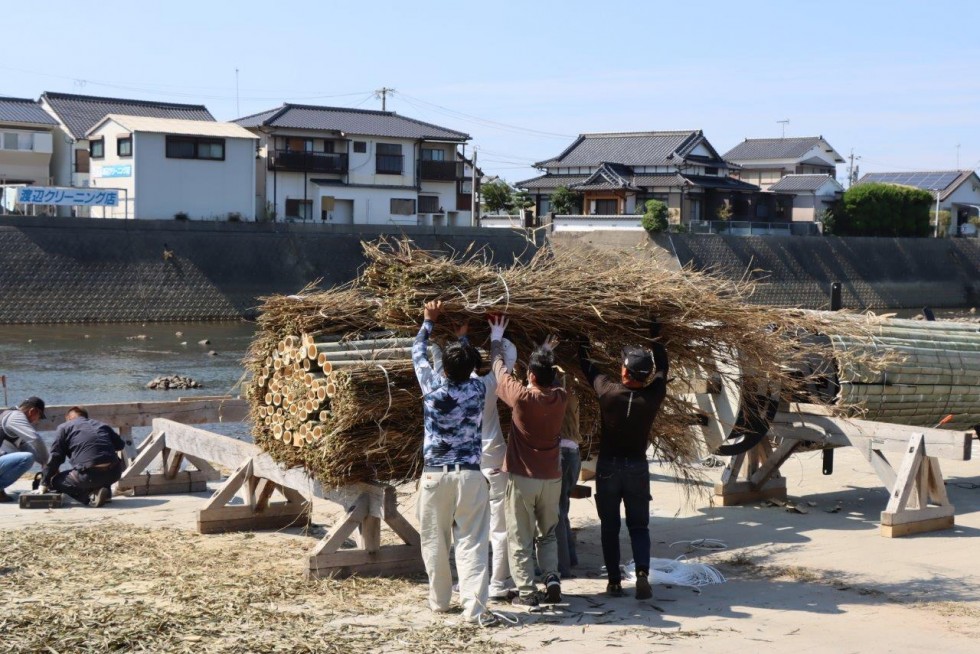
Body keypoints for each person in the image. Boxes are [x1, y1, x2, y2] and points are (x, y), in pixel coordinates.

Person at [412, 300, 492, 625]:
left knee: (435, 540)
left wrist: (428, 321)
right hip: (471, 477)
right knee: (472, 542)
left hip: (435, 477)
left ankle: (440, 602)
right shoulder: (477, 390)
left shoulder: (431, 386)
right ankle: (474, 610)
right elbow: (469, 368)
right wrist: (464, 340)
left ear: (443, 369)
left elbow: (418, 352)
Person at [579, 320, 668, 600]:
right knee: (639, 526)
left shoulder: (608, 391)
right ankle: (642, 572)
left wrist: (581, 332)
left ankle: (615, 582)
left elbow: (587, 365)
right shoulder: (653, 396)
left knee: (610, 526)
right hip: (637, 469)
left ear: (625, 371)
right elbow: (664, 367)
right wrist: (656, 333)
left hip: (608, 468)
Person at [432, 324, 519, 601]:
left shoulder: (441, 389)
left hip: (464, 463)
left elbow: (436, 359)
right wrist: (496, 335)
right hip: (493, 457)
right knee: (499, 525)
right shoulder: (487, 387)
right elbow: (507, 356)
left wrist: (451, 338)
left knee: (463, 526)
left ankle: (464, 581)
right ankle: (497, 582)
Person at [489, 315, 567, 607]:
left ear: (531, 377)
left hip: (523, 479)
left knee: (519, 537)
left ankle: (527, 593)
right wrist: (545, 352)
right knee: (547, 533)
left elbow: (498, 371)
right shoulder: (561, 398)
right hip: (552, 478)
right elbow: (550, 379)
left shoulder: (521, 398)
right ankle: (552, 578)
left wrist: (496, 338)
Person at [43, 406, 125, 507]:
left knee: (57, 481)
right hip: (114, 473)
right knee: (101, 461)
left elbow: (56, 456)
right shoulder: (103, 425)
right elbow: (120, 445)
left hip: (88, 476)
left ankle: (89, 497)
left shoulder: (64, 427)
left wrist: (45, 481)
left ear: (68, 418)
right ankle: (104, 492)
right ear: (86, 417)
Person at [0, 397, 50, 502]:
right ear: (32, 411)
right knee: (27, 458)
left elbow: (25, 446)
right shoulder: (16, 417)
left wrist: (47, 464)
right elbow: (35, 438)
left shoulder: (12, 415)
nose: (37, 421)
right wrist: (46, 461)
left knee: (26, 455)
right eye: (39, 416)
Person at [556, 375, 582, 578]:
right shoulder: (571, 397)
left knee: (557, 511)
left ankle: (562, 564)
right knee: (563, 507)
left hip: (561, 456)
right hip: (574, 455)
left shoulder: (551, 398)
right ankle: (571, 556)